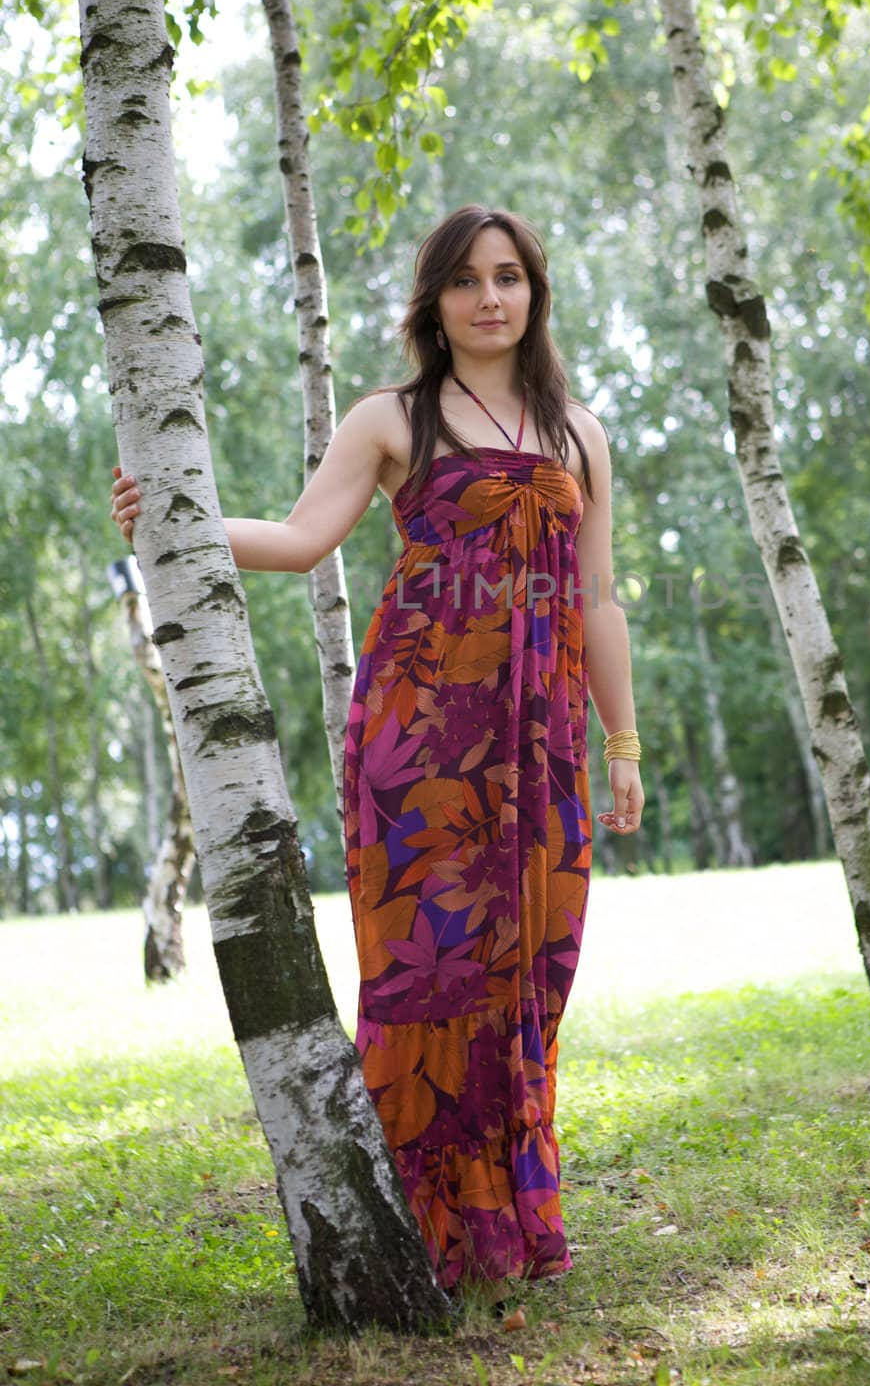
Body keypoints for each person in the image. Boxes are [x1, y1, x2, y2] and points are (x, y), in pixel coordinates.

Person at [111, 203, 644, 1294]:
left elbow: (593, 596)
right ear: (433, 301)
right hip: (420, 743)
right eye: (464, 280)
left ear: (533, 292)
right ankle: (427, 1230)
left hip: (538, 747)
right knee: (428, 974)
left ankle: (510, 1216)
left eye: (508, 277)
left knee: (530, 972)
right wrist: (174, 517)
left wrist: (620, 741)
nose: (489, 297)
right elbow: (304, 539)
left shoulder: (577, 431)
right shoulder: (391, 418)